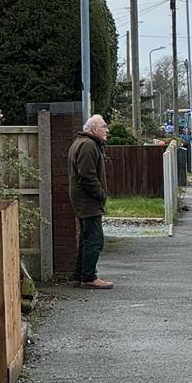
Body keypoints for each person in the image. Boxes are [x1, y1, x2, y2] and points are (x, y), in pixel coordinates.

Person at [68, 114, 113, 290]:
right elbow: (87, 176)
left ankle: (80, 275)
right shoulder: (88, 145)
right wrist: (101, 194)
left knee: (86, 238)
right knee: (94, 239)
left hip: (82, 198)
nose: (107, 130)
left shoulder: (84, 143)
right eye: (104, 126)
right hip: (87, 199)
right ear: (95, 129)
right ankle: (88, 277)